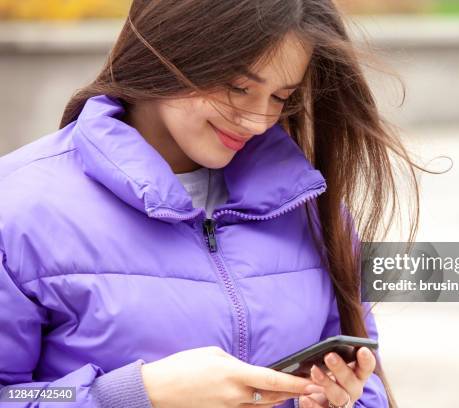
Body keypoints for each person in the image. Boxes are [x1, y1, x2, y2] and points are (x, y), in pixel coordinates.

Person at [0, 1, 420, 407]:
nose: (259, 120)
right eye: (239, 88)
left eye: (281, 97)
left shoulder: (310, 207)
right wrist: (136, 394)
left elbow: (366, 387)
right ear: (167, 48)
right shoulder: (20, 208)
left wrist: (335, 402)